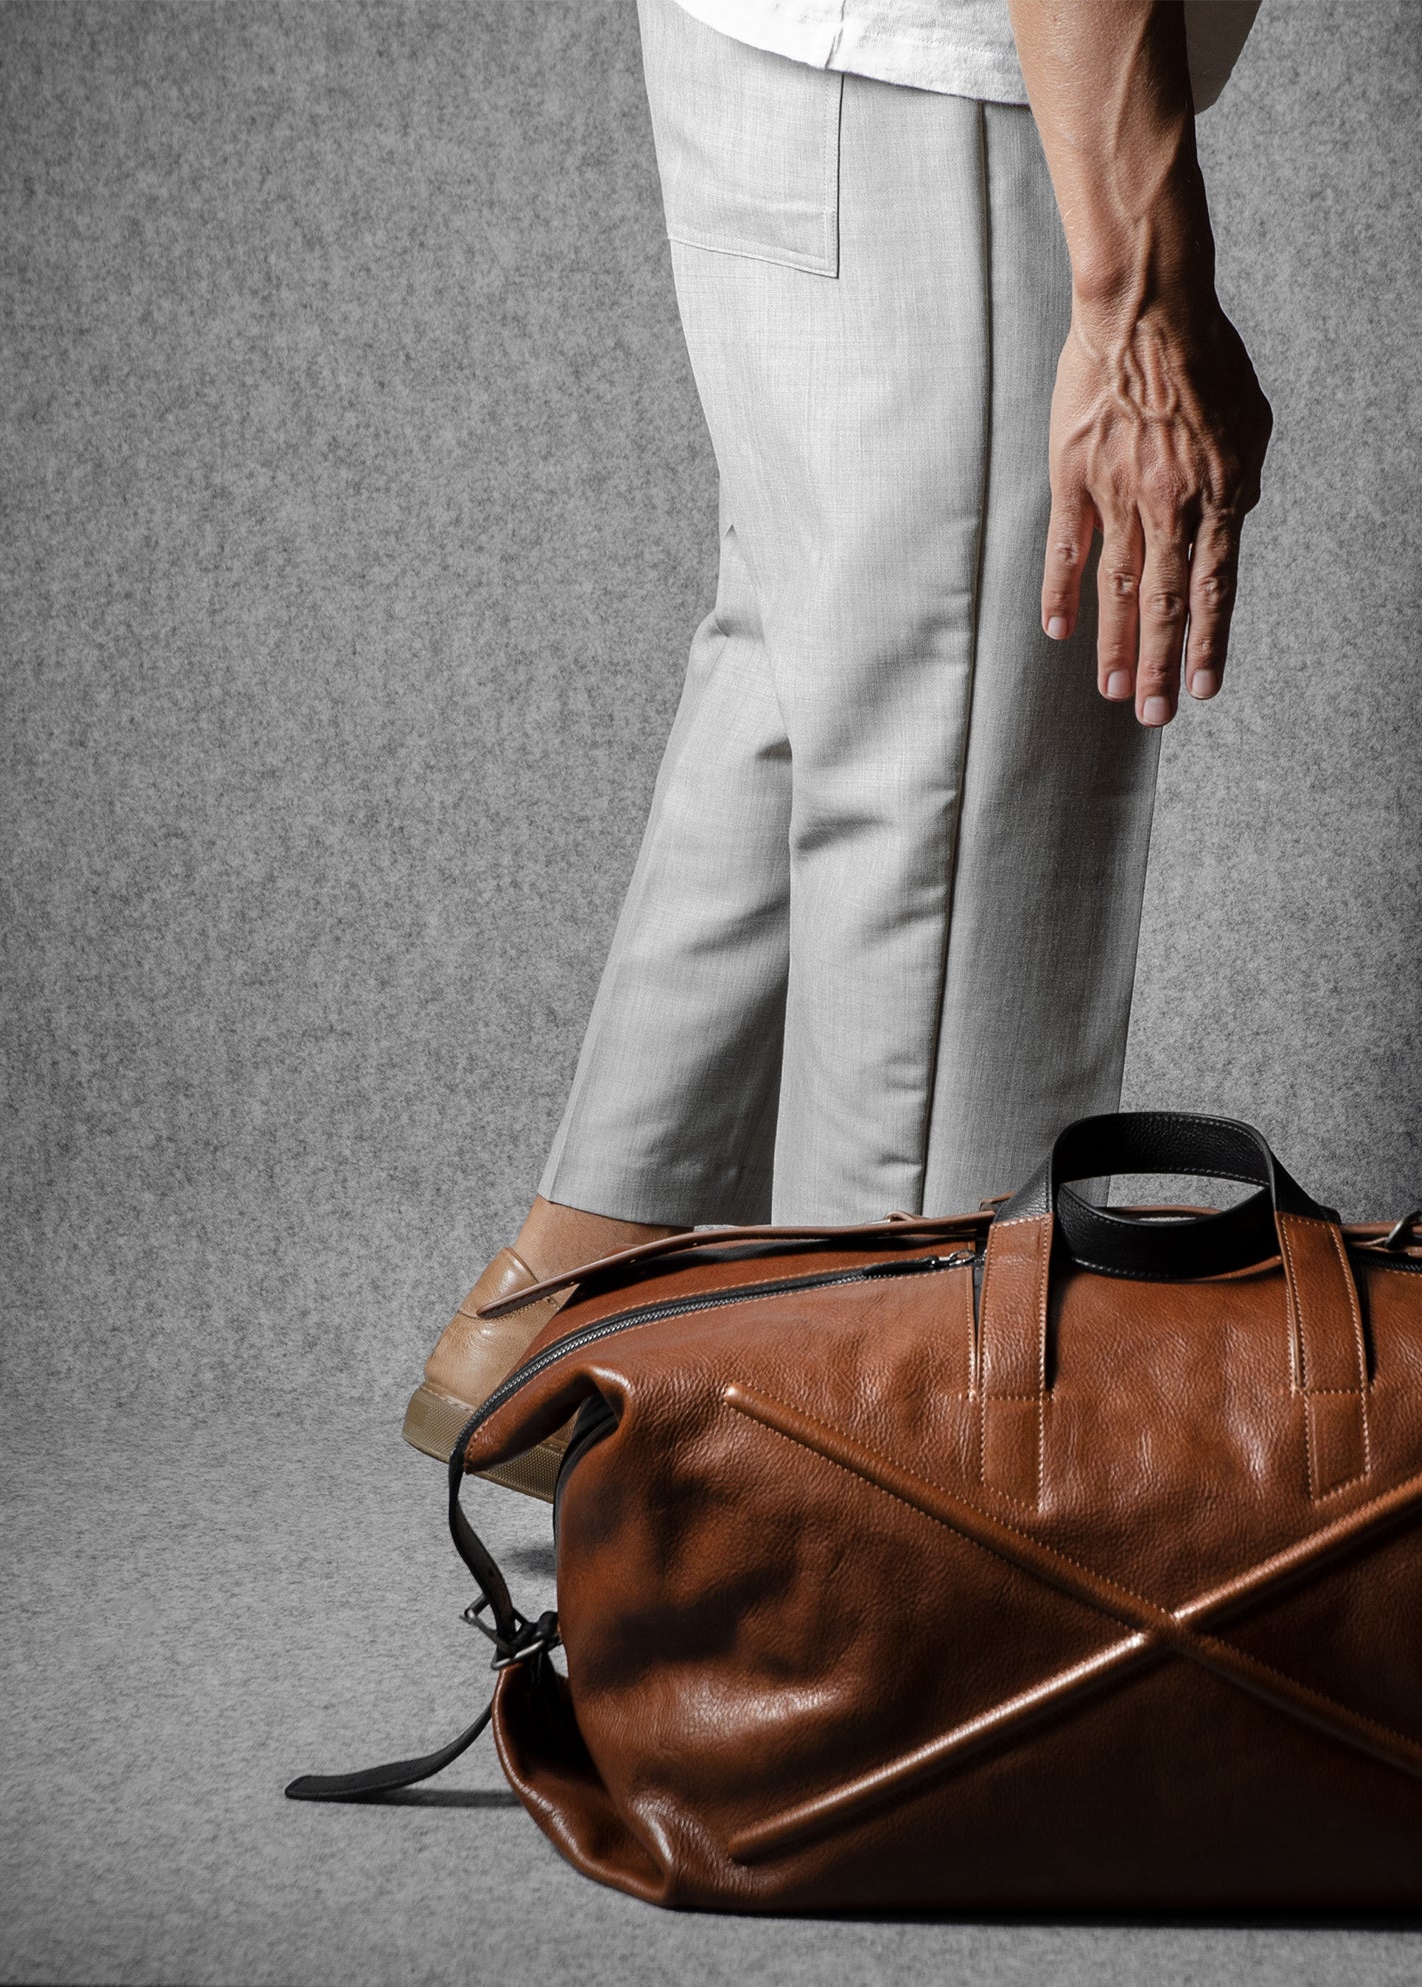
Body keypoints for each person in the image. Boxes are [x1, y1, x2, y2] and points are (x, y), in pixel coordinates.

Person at [404, 0, 1272, 1493]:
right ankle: (878, 1492)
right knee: (955, 777)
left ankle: (565, 1337)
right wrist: (1138, 295)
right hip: (953, 86)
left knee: (820, 675)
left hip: (794, 66)